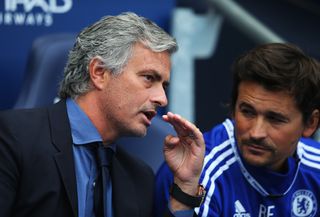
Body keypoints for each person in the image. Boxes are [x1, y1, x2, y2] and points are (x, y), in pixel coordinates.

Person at [0, 12, 205, 217]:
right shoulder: (13, 138)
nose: (162, 99)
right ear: (99, 73)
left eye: (164, 86)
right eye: (149, 78)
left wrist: (185, 189)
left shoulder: (139, 177)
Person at [155, 43, 320, 217]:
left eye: (275, 119)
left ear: (310, 123)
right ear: (233, 110)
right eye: (247, 112)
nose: (256, 133)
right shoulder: (196, 175)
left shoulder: (315, 166)